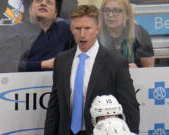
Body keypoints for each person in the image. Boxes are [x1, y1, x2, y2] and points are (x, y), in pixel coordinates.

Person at [44, 5, 140, 135]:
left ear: (97, 29)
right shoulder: (61, 61)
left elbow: (130, 108)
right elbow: (54, 107)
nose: (82, 34)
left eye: (87, 28)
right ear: (71, 29)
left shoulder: (115, 63)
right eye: (78, 28)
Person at [0, 0, 73, 72]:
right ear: (30, 9)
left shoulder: (65, 30)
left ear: (56, 13)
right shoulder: (14, 32)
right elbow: (8, 65)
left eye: (49, 2)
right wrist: (43, 64)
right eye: (38, 1)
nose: (43, 3)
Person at [99, 0, 155, 68]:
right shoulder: (95, 34)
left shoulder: (139, 34)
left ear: (127, 15)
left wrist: (137, 70)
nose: (110, 15)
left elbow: (149, 70)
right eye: (106, 10)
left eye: (116, 10)